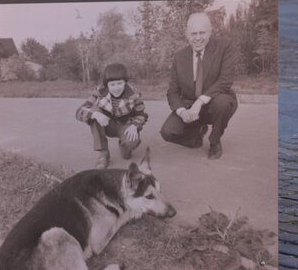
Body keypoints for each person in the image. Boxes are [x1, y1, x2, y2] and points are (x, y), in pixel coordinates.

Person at [159, 12, 238, 160]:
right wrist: (182, 112)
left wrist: (200, 101)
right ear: (187, 34)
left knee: (223, 104)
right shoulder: (179, 57)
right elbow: (173, 91)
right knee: (167, 132)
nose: (197, 38)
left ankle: (215, 142)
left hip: (214, 101)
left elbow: (225, 80)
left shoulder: (224, 47)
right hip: (189, 105)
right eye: (193, 33)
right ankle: (196, 134)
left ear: (210, 32)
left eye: (202, 32)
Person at [76, 63, 147, 169]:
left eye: (120, 83)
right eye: (112, 85)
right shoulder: (99, 91)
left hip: (125, 125)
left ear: (125, 82)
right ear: (106, 85)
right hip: (106, 124)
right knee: (93, 113)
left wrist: (134, 125)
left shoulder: (134, 94)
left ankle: (124, 145)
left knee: (130, 145)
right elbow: (80, 111)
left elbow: (141, 114)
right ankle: (103, 154)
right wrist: (95, 114)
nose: (116, 88)